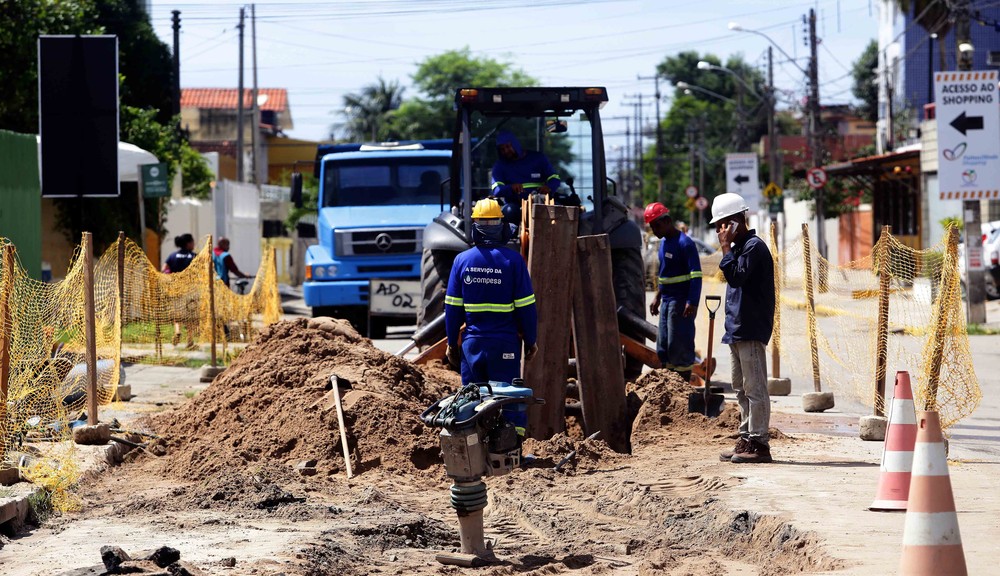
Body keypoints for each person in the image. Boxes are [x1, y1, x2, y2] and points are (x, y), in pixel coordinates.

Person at [444, 198, 538, 391]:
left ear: (474, 225)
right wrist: (530, 340)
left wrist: (452, 343)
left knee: (471, 403)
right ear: (501, 225)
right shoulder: (514, 261)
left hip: (473, 346)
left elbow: (452, 309)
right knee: (508, 401)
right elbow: (526, 307)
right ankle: (514, 423)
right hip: (505, 344)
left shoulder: (461, 260)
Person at [711, 193, 776, 464]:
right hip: (737, 328)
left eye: (722, 225)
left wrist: (726, 250)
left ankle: (759, 443)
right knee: (740, 387)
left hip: (750, 328)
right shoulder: (739, 249)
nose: (719, 232)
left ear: (736, 221)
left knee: (755, 387)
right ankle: (746, 437)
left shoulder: (753, 247)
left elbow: (736, 278)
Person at [645, 202, 702, 383]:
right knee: (664, 344)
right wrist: (657, 297)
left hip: (681, 302)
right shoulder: (663, 244)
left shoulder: (685, 243)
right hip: (668, 301)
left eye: (656, 225)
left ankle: (683, 383)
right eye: (651, 227)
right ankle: (670, 384)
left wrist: (692, 302)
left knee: (680, 344)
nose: (654, 230)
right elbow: (665, 275)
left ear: (667, 221)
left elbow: (696, 276)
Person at [490, 130, 561, 223]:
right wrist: (511, 188)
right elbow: (497, 189)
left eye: (508, 146)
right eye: (502, 149)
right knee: (509, 212)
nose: (506, 151)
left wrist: (549, 187)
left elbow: (554, 178)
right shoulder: (499, 166)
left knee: (559, 212)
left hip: (541, 202)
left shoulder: (538, 158)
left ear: (515, 144)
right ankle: (513, 235)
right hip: (515, 205)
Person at [163, 234, 197, 348]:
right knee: (190, 315)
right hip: (190, 289)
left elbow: (164, 269)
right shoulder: (193, 256)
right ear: (188, 243)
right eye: (193, 242)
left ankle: (177, 331)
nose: (194, 244)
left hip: (176, 289)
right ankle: (190, 340)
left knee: (177, 314)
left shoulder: (172, 256)